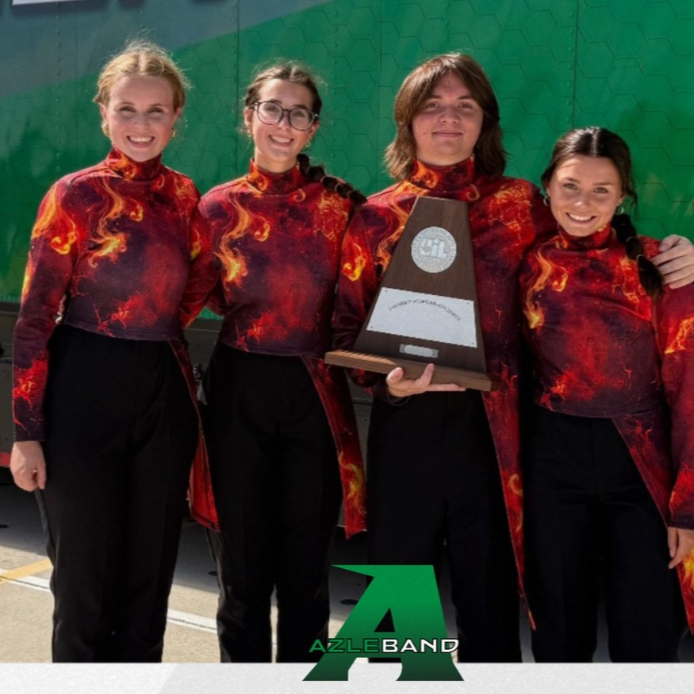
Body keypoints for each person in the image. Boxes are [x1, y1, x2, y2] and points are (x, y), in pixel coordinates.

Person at [331, 53, 694, 662]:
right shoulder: (373, 217)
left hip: (501, 440)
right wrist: (390, 384)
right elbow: (346, 326)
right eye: (432, 107)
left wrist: (675, 256)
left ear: (485, 122)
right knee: (402, 601)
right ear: (407, 122)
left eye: (464, 107)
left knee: (492, 604)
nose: (448, 119)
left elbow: (590, 260)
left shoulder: (521, 205)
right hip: (407, 433)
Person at [9, 40, 200, 662]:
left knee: (148, 580)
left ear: (176, 117)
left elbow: (187, 297)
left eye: (155, 112)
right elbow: (36, 320)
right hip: (82, 388)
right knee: (84, 582)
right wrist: (27, 433)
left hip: (162, 392)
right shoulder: (74, 196)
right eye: (127, 110)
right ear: (103, 113)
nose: (140, 125)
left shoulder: (187, 197)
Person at [180, 63, 367, 663]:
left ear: (313, 128)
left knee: (307, 570)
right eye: (272, 109)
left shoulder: (343, 207)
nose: (283, 124)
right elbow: (182, 301)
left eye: (298, 114)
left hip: (316, 394)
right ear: (249, 117)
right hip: (239, 392)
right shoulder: (216, 209)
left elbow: (402, 268)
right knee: (242, 570)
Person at [519, 126, 694, 662]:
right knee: (559, 628)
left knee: (645, 631)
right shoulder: (525, 264)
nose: (582, 203)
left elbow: (690, 392)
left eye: (601, 190)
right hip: (551, 461)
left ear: (623, 197)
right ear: (547, 187)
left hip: (640, 469)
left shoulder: (659, 267)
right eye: (570, 186)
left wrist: (687, 509)